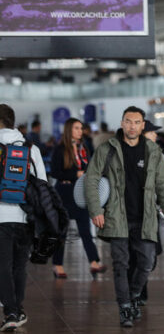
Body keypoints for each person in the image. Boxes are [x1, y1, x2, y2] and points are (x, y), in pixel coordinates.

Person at [85, 106, 164, 328]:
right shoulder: (107, 149)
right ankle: (125, 307)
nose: (132, 126)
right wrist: (96, 210)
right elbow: (91, 179)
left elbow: (163, 185)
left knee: (147, 262)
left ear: (143, 125)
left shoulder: (153, 151)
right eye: (128, 121)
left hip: (145, 217)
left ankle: (134, 295)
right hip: (116, 216)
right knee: (121, 264)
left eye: (136, 122)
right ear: (122, 123)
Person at [0, 104, 46, 332]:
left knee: (2, 265)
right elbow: (42, 184)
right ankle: (17, 309)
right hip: (25, 216)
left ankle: (10, 311)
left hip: (1, 217)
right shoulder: (30, 148)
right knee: (19, 265)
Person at [49, 118, 107, 279]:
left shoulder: (84, 148)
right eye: (76, 128)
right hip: (64, 193)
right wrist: (75, 174)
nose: (80, 131)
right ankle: (57, 265)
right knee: (62, 231)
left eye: (81, 128)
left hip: (80, 192)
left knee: (85, 229)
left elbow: (89, 167)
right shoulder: (60, 149)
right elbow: (55, 172)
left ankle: (94, 262)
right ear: (69, 130)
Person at [128, 120, 164, 304]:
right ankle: (136, 294)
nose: (155, 135)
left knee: (149, 257)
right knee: (136, 256)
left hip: (151, 213)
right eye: (152, 132)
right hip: (133, 213)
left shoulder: (157, 154)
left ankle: (137, 291)